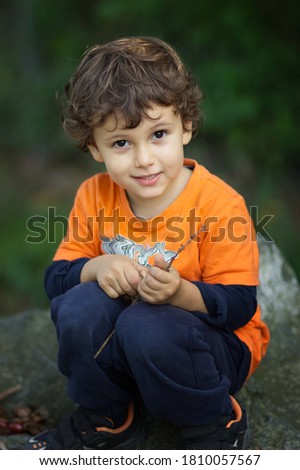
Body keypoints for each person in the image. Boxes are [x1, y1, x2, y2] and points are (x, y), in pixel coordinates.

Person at [26, 36, 270, 450]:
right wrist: (96, 267)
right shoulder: (94, 195)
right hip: (131, 343)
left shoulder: (218, 203)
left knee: (145, 323)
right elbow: (56, 280)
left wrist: (180, 292)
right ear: (94, 147)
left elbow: (239, 305)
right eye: (121, 143)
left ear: (186, 126)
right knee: (78, 306)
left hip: (214, 348)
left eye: (158, 134)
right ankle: (109, 415)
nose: (143, 159)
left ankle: (214, 422)